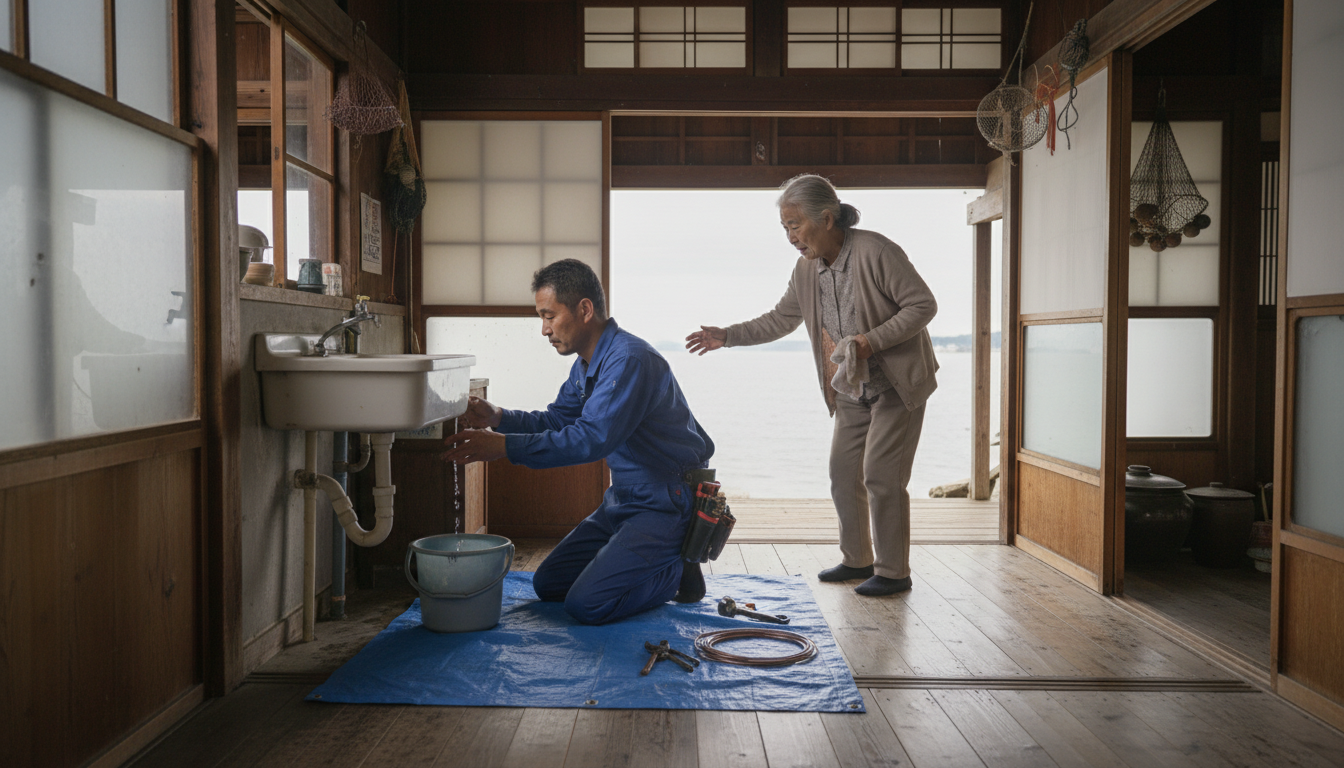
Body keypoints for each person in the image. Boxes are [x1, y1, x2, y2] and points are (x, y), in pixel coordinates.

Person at [685, 175, 938, 597]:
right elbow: (781, 319)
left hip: (897, 384)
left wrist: (870, 342)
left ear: (826, 217)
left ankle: (895, 572)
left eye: (795, 225)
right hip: (850, 385)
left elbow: (923, 304)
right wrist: (726, 335)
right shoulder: (806, 270)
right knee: (843, 473)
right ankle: (858, 560)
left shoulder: (876, 251)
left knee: (881, 475)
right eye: (785, 228)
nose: (790, 237)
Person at [442, 259, 715, 625]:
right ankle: (657, 558)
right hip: (623, 499)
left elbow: (591, 440)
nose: (544, 329)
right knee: (549, 583)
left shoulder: (630, 360)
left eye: (549, 316)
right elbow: (557, 419)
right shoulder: (586, 365)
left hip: (667, 500)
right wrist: (499, 417)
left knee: (587, 604)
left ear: (584, 309)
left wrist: (503, 446)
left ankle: (676, 569)